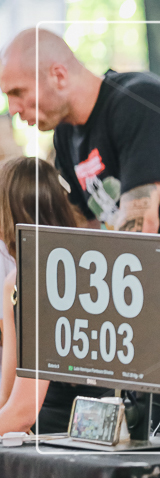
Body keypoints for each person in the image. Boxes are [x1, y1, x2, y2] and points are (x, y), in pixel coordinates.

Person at [0, 29, 160, 311]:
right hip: (155, 294)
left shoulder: (137, 101)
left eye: (18, 92)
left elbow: (141, 229)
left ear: (58, 75)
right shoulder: (65, 135)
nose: (13, 109)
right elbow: (86, 225)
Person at [0, 157, 109, 435]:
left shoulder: (50, 281)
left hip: (68, 439)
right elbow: (7, 397)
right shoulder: (16, 282)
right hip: (39, 437)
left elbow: (21, 413)